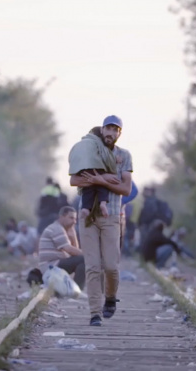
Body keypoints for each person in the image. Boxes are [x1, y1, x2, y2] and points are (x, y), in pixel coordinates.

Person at [70, 115, 133, 327]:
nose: (111, 133)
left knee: (111, 266)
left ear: (119, 134)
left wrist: (99, 180)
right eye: (108, 129)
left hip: (112, 216)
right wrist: (101, 179)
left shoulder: (124, 156)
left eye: (116, 130)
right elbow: (74, 179)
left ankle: (111, 297)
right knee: (92, 267)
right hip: (88, 217)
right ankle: (94, 313)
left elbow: (126, 189)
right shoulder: (90, 150)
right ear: (102, 130)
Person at [68, 125, 118, 221]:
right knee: (102, 185)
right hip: (97, 167)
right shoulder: (99, 143)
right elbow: (107, 157)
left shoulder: (79, 144)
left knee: (87, 189)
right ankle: (103, 203)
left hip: (83, 170)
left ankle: (85, 208)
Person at [38, 206, 85, 289]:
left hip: (54, 265)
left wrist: (73, 235)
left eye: (75, 219)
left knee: (82, 261)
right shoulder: (56, 228)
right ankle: (77, 290)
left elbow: (75, 253)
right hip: (50, 266)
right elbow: (70, 250)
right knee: (84, 259)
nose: (74, 222)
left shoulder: (63, 229)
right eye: (71, 218)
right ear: (62, 217)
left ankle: (76, 290)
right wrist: (89, 255)